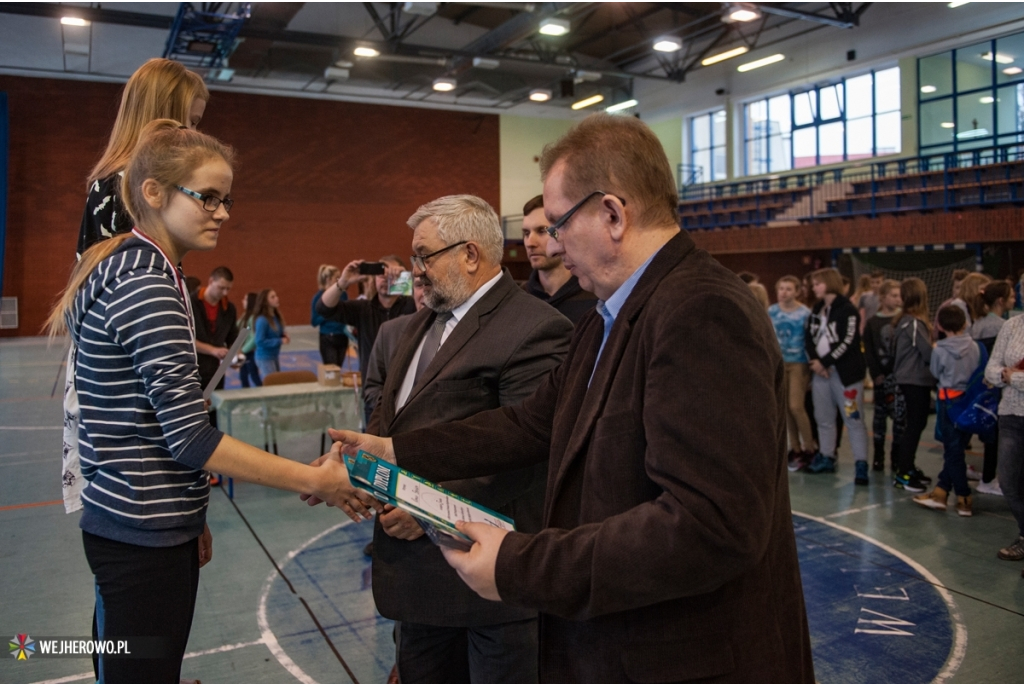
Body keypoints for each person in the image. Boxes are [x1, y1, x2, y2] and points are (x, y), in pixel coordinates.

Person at [318, 114, 814, 683]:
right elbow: (528, 425)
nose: (547, 245)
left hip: (687, 655)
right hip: (625, 641)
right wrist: (396, 451)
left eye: (557, 225)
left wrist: (519, 564)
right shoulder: (607, 317)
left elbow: (710, 525)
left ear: (612, 214)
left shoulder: (701, 312)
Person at [45, 120, 371, 684]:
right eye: (208, 198)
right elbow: (191, 438)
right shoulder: (147, 284)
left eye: (227, 199)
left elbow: (149, 421)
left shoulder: (122, 264)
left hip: (135, 519)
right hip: (140, 534)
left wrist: (189, 512)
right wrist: (315, 480)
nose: (222, 212)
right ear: (154, 193)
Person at [356, 195, 574, 684]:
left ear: (470, 254)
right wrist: (360, 472)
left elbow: (526, 452)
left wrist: (430, 508)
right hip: (415, 581)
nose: (416, 270)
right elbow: (390, 419)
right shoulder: (416, 325)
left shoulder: (537, 329)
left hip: (488, 585)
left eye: (424, 256)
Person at [78, 58, 209, 257]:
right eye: (191, 122)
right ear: (164, 119)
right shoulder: (126, 184)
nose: (195, 134)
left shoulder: (136, 182)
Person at [804, 268, 871, 483]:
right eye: (813, 284)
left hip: (846, 375)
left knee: (853, 418)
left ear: (829, 283)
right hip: (821, 374)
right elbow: (808, 338)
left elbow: (848, 340)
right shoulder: (816, 310)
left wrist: (826, 362)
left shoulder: (848, 310)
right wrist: (816, 362)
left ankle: (861, 463)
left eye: (818, 284)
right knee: (823, 418)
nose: (814, 288)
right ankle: (826, 456)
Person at [915, 305, 981, 516]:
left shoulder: (940, 349)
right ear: (964, 323)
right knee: (957, 448)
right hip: (969, 402)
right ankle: (941, 491)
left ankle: (963, 497)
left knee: (953, 452)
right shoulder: (975, 347)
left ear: (941, 326)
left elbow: (935, 372)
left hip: (948, 402)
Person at [316, 255, 417, 389]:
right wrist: (343, 282)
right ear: (374, 279)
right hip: (374, 391)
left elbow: (433, 302)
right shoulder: (362, 309)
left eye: (392, 274)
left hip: (406, 388)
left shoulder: (414, 306)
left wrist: (408, 277)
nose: (386, 278)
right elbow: (323, 309)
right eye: (381, 273)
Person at [984, 310, 1024, 574]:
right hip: (1010, 414)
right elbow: (991, 369)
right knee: (1008, 480)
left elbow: (1005, 375)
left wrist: (1013, 377)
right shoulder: (1011, 325)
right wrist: (1002, 375)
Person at [520, 194, 598, 325]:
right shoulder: (519, 299)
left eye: (542, 231)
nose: (530, 243)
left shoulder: (595, 295)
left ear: (563, 231)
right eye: (526, 233)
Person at [891, 278, 936, 492]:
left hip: (913, 379)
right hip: (914, 379)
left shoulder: (907, 321)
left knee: (916, 424)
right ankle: (904, 473)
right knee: (914, 426)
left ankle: (908, 466)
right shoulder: (914, 323)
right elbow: (927, 352)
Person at [769, 275, 817, 470]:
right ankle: (795, 448)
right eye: (781, 289)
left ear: (797, 292)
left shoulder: (804, 313)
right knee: (785, 408)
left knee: (796, 406)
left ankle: (809, 448)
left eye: (789, 289)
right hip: (780, 362)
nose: (784, 293)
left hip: (799, 363)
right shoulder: (771, 311)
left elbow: (811, 340)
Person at [362, 279, 425, 416]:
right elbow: (372, 388)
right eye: (419, 285)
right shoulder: (389, 331)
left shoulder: (459, 330)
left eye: (432, 284)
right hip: (394, 427)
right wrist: (395, 408)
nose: (425, 293)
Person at [972, 281, 1012, 494]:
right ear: (1000, 301)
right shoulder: (1000, 327)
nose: (1015, 299)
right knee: (995, 434)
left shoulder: (977, 323)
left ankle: (988, 478)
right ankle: (988, 479)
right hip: (993, 387)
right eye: (1012, 296)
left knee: (990, 433)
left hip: (979, 386)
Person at [863, 279, 903, 471]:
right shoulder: (873, 322)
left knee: (899, 419)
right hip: (881, 377)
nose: (897, 299)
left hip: (899, 377)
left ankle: (897, 457)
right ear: (883, 297)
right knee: (879, 419)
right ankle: (878, 456)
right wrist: (875, 373)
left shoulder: (903, 319)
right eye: (893, 295)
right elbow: (869, 351)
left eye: (899, 296)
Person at [191, 266, 239, 393]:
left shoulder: (229, 309)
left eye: (228, 289)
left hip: (216, 372)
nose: (225, 293)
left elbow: (232, 337)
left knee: (215, 409)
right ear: (211, 281)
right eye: (221, 288)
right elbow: (184, 339)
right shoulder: (189, 303)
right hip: (191, 370)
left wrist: (236, 355)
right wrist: (212, 350)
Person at [311, 264, 349, 366]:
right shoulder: (318, 297)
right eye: (337, 278)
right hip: (328, 337)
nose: (339, 280)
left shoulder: (343, 294)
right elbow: (314, 321)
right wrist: (328, 311)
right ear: (328, 279)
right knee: (331, 369)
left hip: (342, 336)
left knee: (339, 367)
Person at [253, 289, 289, 378]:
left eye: (276, 296)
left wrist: (283, 335)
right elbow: (260, 341)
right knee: (272, 385)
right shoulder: (262, 320)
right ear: (265, 301)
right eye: (272, 297)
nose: (277, 298)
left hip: (274, 355)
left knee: (277, 382)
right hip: (265, 357)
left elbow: (275, 333)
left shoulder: (275, 317)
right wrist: (279, 341)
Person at [237, 292, 262, 388]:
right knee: (243, 376)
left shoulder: (253, 318)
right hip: (243, 352)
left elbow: (254, 338)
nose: (242, 301)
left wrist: (243, 350)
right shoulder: (245, 316)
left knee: (254, 375)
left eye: (245, 299)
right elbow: (237, 328)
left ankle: (263, 395)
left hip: (249, 353)